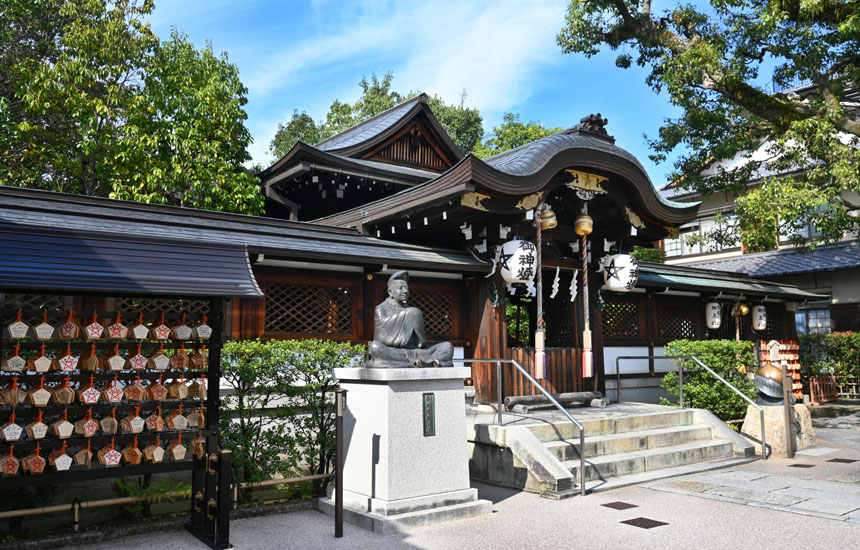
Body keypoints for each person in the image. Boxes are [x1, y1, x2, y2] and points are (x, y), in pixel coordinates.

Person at [366, 271, 454, 368]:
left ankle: (416, 362)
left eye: (406, 288)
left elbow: (421, 343)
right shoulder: (381, 309)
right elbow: (381, 339)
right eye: (401, 288)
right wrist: (408, 315)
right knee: (375, 348)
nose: (405, 291)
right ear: (390, 292)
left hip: (416, 352)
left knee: (447, 347)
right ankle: (416, 363)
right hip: (396, 352)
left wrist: (412, 316)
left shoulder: (410, 309)